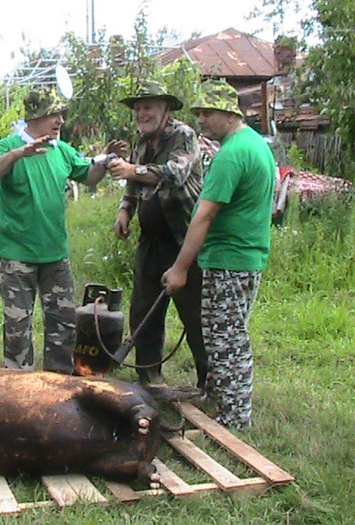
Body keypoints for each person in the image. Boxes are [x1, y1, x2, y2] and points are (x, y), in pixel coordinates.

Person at [162, 79, 276, 430]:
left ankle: (235, 419)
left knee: (227, 341)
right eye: (198, 113)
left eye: (207, 113)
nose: (201, 119)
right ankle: (218, 398)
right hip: (246, 257)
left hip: (229, 260)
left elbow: (204, 215)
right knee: (222, 335)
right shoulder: (255, 144)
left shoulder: (232, 155)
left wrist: (180, 268)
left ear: (229, 113)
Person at [0, 87, 110, 374]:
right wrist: (17, 154)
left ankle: (59, 383)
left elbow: (88, 176)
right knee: (17, 326)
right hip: (16, 254)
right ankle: (18, 384)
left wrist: (105, 162)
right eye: (54, 114)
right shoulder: (8, 146)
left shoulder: (61, 150)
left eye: (61, 114)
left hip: (54, 254)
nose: (60, 120)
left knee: (63, 323)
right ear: (35, 116)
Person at [109, 80, 207, 388]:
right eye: (137, 108)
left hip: (185, 241)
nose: (141, 113)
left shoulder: (184, 136)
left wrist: (131, 171)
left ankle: (209, 382)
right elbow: (133, 181)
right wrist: (125, 209)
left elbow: (174, 175)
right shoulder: (141, 140)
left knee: (195, 318)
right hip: (151, 240)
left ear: (165, 109)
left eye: (148, 106)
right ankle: (149, 377)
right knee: (143, 313)